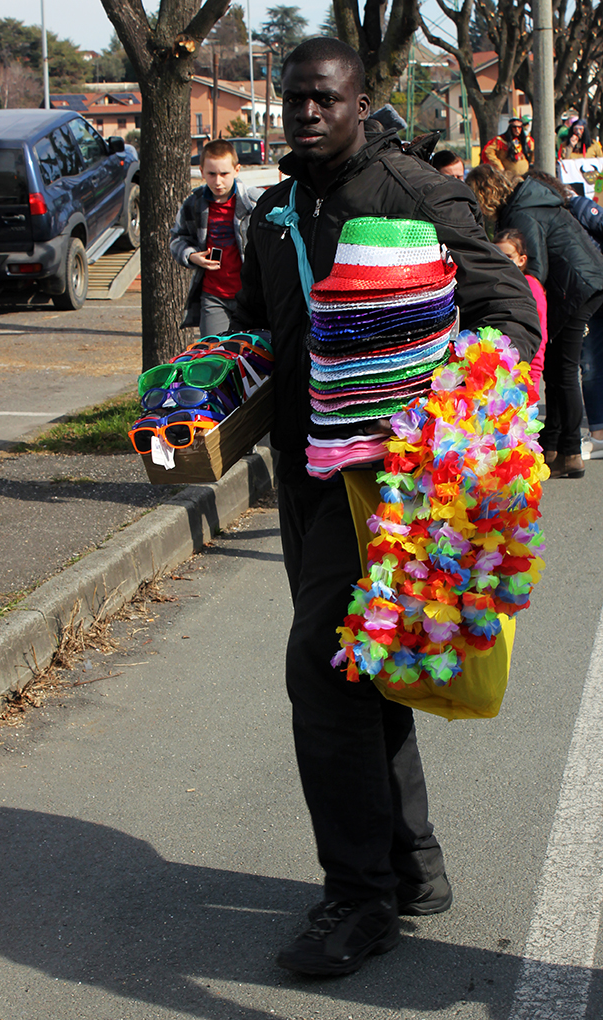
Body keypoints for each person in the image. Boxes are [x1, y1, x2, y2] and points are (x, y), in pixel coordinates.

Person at [230, 36, 541, 977]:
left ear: (364, 101)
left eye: (326, 99)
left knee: (322, 675)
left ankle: (358, 899)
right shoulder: (273, 210)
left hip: (393, 487)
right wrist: (212, 385)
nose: (308, 114)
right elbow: (255, 326)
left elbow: (508, 309)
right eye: (294, 101)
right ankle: (412, 867)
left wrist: (444, 427)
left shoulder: (412, 190)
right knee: (362, 663)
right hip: (306, 477)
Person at [465, 163, 603, 479]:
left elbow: (533, 269)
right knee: (556, 368)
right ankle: (553, 446)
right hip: (579, 281)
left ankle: (570, 452)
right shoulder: (526, 202)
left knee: (564, 370)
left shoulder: (522, 213)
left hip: (576, 286)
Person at [169, 139, 262, 336]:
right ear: (202, 172)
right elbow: (177, 239)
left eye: (224, 174)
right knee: (214, 356)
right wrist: (191, 256)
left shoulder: (255, 202)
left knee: (249, 355)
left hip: (249, 296)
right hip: (213, 297)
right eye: (211, 174)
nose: (218, 181)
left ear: (237, 170)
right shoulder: (194, 204)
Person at [494, 228, 548, 386]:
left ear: (521, 260)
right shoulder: (493, 284)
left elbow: (539, 336)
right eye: (498, 255)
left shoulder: (531, 286)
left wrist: (534, 377)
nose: (503, 261)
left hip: (523, 374)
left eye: (508, 256)